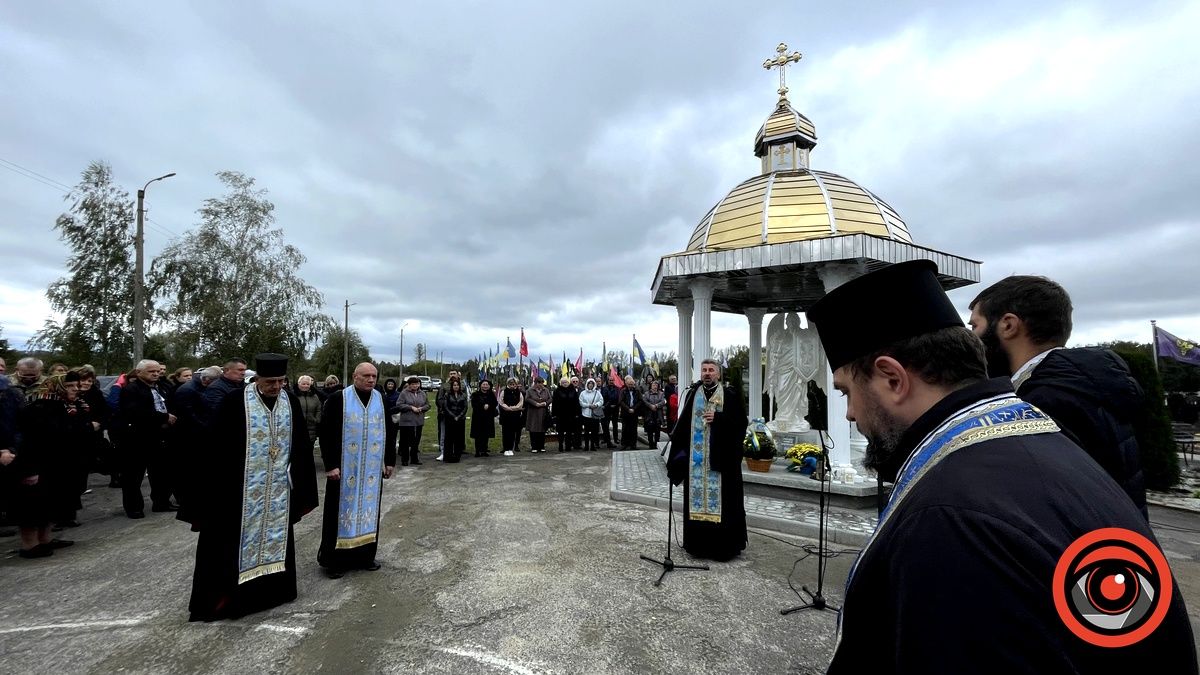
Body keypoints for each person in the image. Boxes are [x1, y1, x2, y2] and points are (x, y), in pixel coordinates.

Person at [804, 260, 1196, 673]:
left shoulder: (949, 519)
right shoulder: (1039, 441)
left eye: (848, 392)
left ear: (892, 379)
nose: (849, 414)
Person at [968, 275, 1148, 517]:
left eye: (974, 327)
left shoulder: (1044, 402)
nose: (972, 340)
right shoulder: (1082, 384)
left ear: (1008, 325)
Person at [187, 354, 318, 622]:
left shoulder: (289, 401)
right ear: (257, 378)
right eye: (271, 381)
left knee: (276, 538)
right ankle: (235, 599)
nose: (277, 386)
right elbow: (216, 446)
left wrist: (301, 482)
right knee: (230, 544)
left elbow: (301, 445)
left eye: (282, 381)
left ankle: (273, 592)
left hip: (278, 489)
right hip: (239, 489)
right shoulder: (235, 401)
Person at [317, 363, 396, 579]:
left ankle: (365, 557)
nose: (371, 380)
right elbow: (326, 433)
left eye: (374, 376)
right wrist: (330, 464)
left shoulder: (380, 399)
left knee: (368, 512)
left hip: (370, 470)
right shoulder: (338, 399)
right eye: (366, 376)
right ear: (355, 376)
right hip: (344, 470)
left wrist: (389, 460)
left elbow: (389, 430)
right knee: (338, 513)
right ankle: (334, 561)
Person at [667, 360, 748, 561]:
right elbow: (683, 426)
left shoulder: (729, 395)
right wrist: (676, 454)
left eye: (711, 370)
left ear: (718, 375)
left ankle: (722, 549)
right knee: (695, 504)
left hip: (722, 464)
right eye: (704, 370)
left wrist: (719, 419)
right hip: (697, 464)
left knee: (724, 503)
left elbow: (741, 424)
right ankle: (698, 547)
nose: (707, 373)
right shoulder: (693, 395)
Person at [119, 359, 177, 518]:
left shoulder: (161, 387)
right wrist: (163, 417)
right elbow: (135, 412)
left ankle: (161, 502)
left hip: (160, 437)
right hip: (138, 438)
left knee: (160, 473)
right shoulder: (131, 389)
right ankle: (134, 507)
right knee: (134, 476)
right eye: (152, 371)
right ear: (139, 372)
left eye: (158, 371)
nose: (156, 374)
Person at [170, 365, 221, 526]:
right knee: (187, 471)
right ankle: (185, 500)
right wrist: (207, 427)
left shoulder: (198, 387)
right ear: (206, 380)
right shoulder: (188, 390)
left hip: (196, 434)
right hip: (188, 436)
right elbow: (189, 415)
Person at [394, 377, 429, 466]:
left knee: (416, 440)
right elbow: (399, 405)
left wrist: (422, 408)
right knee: (405, 441)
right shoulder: (404, 393)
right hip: (406, 421)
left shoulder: (422, 393)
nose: (415, 386)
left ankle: (414, 458)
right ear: (409, 385)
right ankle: (405, 459)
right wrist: (411, 407)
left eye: (417, 384)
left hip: (418, 421)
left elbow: (428, 405)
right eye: (413, 384)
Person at [291, 375, 324, 448]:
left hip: (311, 427)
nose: (305, 386)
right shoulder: (293, 396)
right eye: (303, 384)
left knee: (309, 450)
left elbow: (319, 409)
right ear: (299, 384)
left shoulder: (314, 396)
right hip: (297, 428)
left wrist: (317, 419)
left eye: (308, 384)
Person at [441, 377, 468, 463]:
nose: (456, 387)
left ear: (460, 386)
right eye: (454, 385)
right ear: (451, 386)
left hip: (460, 419)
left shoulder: (463, 395)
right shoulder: (447, 395)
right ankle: (448, 456)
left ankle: (457, 455)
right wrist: (453, 416)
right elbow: (445, 407)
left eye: (457, 385)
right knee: (449, 438)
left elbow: (465, 407)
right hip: (450, 418)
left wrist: (459, 416)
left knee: (458, 438)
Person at [470, 380, 498, 457]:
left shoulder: (491, 394)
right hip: (478, 417)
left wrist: (489, 406)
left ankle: (484, 450)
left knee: (486, 434)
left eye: (487, 384)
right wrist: (482, 406)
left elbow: (495, 403)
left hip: (488, 417)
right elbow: (474, 404)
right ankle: (477, 451)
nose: (485, 386)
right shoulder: (475, 394)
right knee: (478, 435)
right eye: (484, 384)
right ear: (480, 385)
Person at [498, 377, 525, 456]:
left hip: (515, 415)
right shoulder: (504, 391)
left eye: (514, 384)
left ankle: (511, 448)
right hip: (505, 415)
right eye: (510, 384)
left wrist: (514, 408)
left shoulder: (519, 392)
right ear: (508, 384)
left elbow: (521, 402)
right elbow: (501, 401)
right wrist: (507, 408)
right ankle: (506, 448)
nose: (512, 385)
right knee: (506, 432)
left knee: (513, 432)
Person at [552, 377, 580, 452]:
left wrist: (577, 413)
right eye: (563, 382)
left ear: (569, 383)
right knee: (560, 431)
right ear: (560, 383)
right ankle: (560, 445)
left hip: (571, 414)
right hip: (560, 415)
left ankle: (568, 446)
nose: (565, 384)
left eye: (566, 382)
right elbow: (554, 403)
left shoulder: (573, 390)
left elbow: (576, 402)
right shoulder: (557, 391)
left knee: (569, 431)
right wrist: (554, 414)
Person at [524, 377, 551, 453]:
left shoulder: (546, 390)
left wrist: (545, 403)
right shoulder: (529, 390)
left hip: (543, 412)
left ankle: (541, 446)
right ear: (536, 383)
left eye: (542, 383)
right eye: (539, 383)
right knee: (533, 430)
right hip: (533, 413)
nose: (541, 385)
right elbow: (527, 399)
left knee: (542, 430)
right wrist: (535, 404)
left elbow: (550, 398)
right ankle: (534, 447)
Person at [578, 378, 604, 451]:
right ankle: (586, 446)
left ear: (594, 385)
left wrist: (596, 405)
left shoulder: (597, 392)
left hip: (594, 414)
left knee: (594, 431)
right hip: (586, 414)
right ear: (587, 384)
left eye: (592, 384)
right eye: (589, 384)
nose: (590, 385)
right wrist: (588, 405)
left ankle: (592, 446)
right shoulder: (583, 393)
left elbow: (601, 400)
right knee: (586, 431)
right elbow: (581, 402)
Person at [619, 376, 643, 449]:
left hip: (634, 413)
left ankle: (633, 444)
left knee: (633, 429)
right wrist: (628, 409)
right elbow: (621, 401)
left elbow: (640, 400)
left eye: (632, 384)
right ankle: (624, 444)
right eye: (629, 384)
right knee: (625, 429)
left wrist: (634, 408)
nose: (631, 386)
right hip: (625, 413)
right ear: (626, 384)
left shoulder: (637, 391)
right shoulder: (623, 391)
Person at [642, 380, 666, 448]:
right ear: (651, 386)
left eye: (656, 385)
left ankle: (656, 444)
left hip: (658, 414)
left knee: (657, 430)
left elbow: (663, 402)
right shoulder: (646, 393)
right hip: (649, 414)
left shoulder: (661, 393)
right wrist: (651, 406)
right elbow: (644, 401)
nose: (655, 386)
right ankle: (651, 444)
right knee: (650, 430)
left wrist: (656, 406)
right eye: (653, 385)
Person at [599, 375, 619, 449]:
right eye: (610, 380)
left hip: (615, 408)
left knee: (615, 424)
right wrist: (609, 405)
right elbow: (604, 398)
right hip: (607, 409)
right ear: (608, 381)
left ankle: (616, 438)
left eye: (612, 380)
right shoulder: (604, 389)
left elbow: (618, 398)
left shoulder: (617, 389)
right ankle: (606, 439)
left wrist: (616, 405)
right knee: (606, 426)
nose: (611, 382)